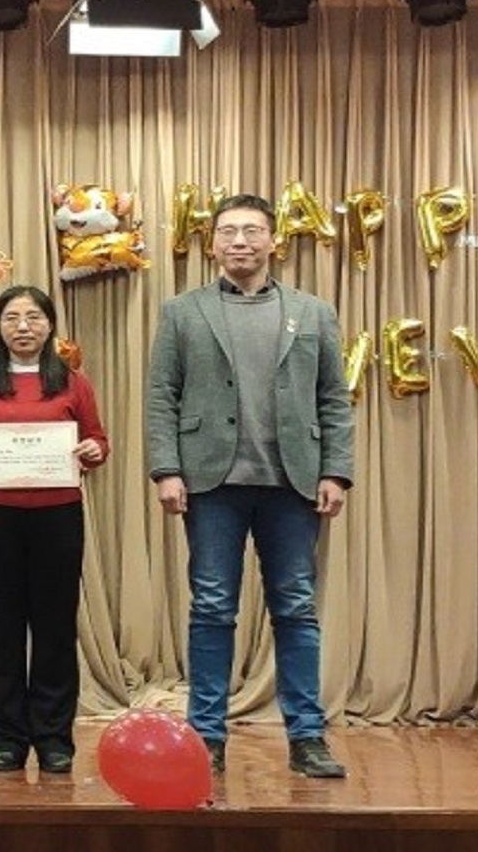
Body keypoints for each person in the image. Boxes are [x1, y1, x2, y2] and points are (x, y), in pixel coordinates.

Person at [145, 193, 354, 779]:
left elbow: (334, 398)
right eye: (229, 232)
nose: (240, 241)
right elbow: (161, 395)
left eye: (252, 231)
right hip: (211, 483)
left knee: (296, 607)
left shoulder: (313, 312)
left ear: (272, 241)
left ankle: (307, 737)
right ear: (212, 243)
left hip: (294, 482)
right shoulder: (182, 312)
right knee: (212, 607)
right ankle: (206, 736)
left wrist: (336, 471)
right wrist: (166, 469)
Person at [0, 285, 109, 775]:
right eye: (12, 317)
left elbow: (97, 440)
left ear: (50, 325)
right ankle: (7, 738)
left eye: (33, 316)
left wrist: (94, 452)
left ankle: (54, 738)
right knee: (2, 628)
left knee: (55, 627)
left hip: (58, 516)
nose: (23, 326)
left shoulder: (73, 383)